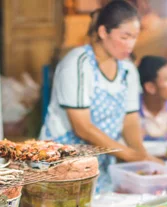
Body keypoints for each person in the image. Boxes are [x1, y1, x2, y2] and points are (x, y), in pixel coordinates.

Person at [40, 0, 159, 191]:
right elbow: (83, 128)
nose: (131, 44)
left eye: (135, 37)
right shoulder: (78, 64)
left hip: (101, 162)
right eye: (125, 37)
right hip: (63, 163)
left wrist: (141, 155)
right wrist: (130, 155)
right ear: (104, 32)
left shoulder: (127, 69)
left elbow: (130, 120)